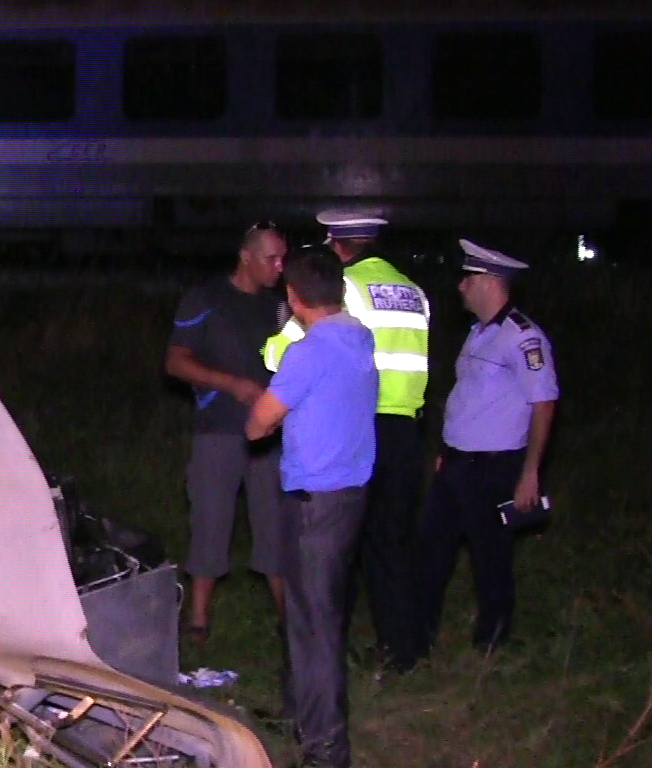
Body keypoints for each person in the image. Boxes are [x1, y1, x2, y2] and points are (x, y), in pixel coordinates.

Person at [267, 211, 431, 671]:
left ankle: (325, 653)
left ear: (335, 246)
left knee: (336, 542)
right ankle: (402, 648)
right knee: (393, 541)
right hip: (406, 428)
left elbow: (288, 351)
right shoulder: (413, 291)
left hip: (358, 422)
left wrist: (267, 347)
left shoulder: (344, 289)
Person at [246, 244, 377, 768]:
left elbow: (260, 422)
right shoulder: (359, 337)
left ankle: (325, 750)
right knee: (315, 614)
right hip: (349, 494)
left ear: (294, 296)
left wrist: (266, 409)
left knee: (314, 625)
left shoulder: (310, 352)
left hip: (316, 504)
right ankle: (303, 713)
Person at [410, 239, 557, 659]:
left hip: (494, 468)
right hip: (456, 463)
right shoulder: (477, 334)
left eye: (468, 279)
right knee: (430, 552)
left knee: (490, 559)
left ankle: (490, 646)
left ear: (490, 283)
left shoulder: (522, 338)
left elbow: (543, 403)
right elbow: (468, 398)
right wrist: (446, 449)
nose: (460, 287)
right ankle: (417, 641)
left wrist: (530, 472)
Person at [166, 222, 288, 641]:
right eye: (272, 258)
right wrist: (232, 384)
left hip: (270, 435)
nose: (279, 267)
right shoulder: (206, 299)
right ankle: (198, 621)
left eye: (283, 258)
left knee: (274, 522)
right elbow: (176, 362)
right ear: (246, 257)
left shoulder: (280, 307)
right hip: (217, 430)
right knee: (210, 520)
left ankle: (289, 619)